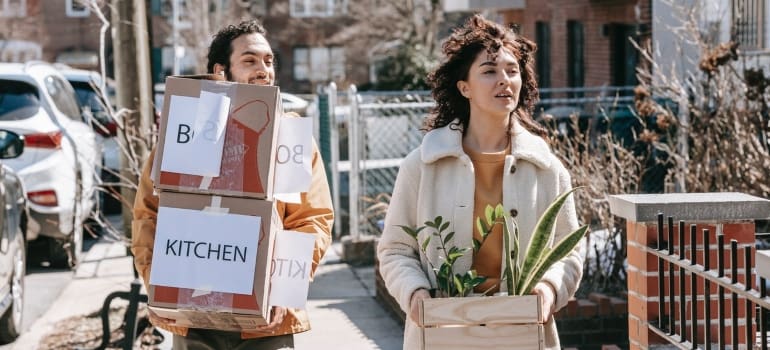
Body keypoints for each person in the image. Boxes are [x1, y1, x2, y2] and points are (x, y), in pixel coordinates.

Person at [376, 14, 584, 350]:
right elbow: (395, 249)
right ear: (464, 87)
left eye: (512, 71)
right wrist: (414, 293)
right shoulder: (423, 165)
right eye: (489, 71)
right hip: (443, 329)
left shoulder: (546, 167)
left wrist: (548, 290)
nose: (504, 80)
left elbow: (569, 251)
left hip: (523, 331)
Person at [131, 19, 334, 350]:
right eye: (250, 60)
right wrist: (158, 283)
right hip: (194, 318)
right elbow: (149, 215)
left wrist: (283, 288)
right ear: (221, 71)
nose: (264, 70)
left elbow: (312, 219)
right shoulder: (185, 134)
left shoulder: (290, 140)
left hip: (267, 320)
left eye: (269, 61)